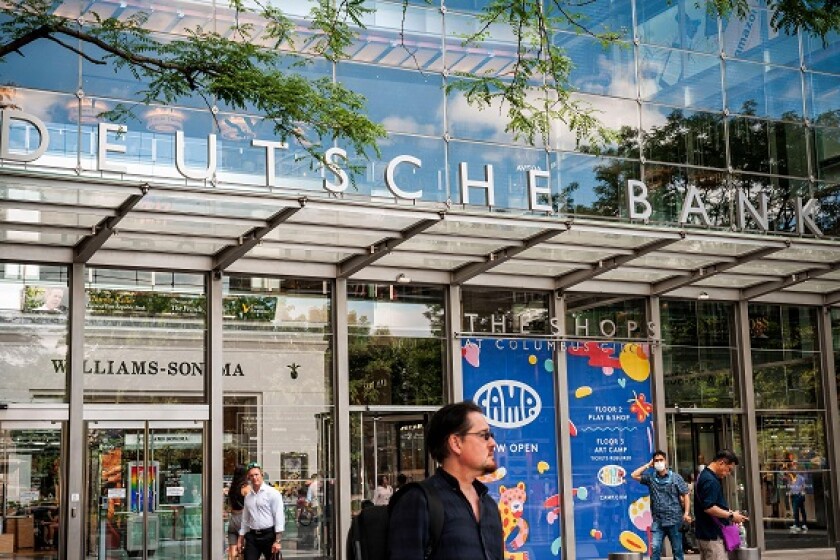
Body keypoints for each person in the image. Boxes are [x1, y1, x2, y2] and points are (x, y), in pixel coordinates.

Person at [388, 400, 503, 560]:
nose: (493, 443)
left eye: (490, 436)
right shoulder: (419, 500)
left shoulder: (489, 505)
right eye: (483, 436)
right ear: (456, 443)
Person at [631, 450, 691, 560]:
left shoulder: (676, 478)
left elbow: (686, 495)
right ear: (653, 463)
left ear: (666, 461)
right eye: (656, 461)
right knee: (655, 548)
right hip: (658, 521)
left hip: (675, 520)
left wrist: (686, 513)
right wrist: (647, 465)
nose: (659, 462)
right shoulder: (650, 478)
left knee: (677, 551)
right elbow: (634, 475)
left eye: (661, 460)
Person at [694, 450, 749, 560]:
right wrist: (731, 516)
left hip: (705, 534)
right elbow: (709, 508)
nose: (728, 473)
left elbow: (712, 503)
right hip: (712, 536)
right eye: (729, 469)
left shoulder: (703, 475)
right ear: (721, 463)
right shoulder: (710, 481)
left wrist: (730, 512)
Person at [237, 462, 285, 560]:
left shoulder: (273, 493)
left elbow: (279, 516)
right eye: (251, 476)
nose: (254, 478)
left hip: (269, 536)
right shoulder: (248, 496)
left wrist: (278, 541)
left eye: (256, 474)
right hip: (252, 536)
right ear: (248, 478)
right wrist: (241, 538)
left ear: (262, 475)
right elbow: (245, 519)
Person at [227, 466, 249, 560]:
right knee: (244, 548)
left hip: (232, 519)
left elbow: (229, 505)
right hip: (242, 518)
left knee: (233, 548)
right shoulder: (246, 488)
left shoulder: (231, 488)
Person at [787, 461, 808, 533]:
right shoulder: (790, 478)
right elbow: (791, 487)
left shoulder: (800, 478)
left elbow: (803, 486)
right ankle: (800, 524)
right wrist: (790, 493)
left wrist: (801, 492)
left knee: (798, 510)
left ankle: (799, 524)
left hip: (799, 495)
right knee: (799, 509)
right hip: (794, 495)